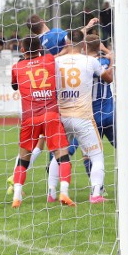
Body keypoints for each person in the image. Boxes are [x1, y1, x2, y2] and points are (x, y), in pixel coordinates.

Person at [10, 35, 75, 207]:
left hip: (29, 118)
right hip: (51, 116)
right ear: (40, 49)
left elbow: (14, 86)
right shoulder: (49, 59)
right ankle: (64, 193)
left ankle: (17, 196)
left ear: (22, 50)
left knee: (24, 158)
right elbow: (67, 48)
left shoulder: (17, 67)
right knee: (62, 154)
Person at [50, 29, 113, 203]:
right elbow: (108, 78)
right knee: (97, 156)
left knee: (61, 155)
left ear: (67, 43)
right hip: (83, 116)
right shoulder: (90, 61)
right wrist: (112, 60)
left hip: (62, 116)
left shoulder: (56, 61)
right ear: (83, 44)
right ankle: (96, 194)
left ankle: (51, 192)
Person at [86, 34, 128, 185]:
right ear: (99, 46)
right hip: (110, 112)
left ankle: (97, 189)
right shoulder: (105, 61)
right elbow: (111, 75)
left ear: (85, 47)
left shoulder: (83, 64)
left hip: (91, 115)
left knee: (89, 155)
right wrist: (110, 56)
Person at [28, 14, 98, 56]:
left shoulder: (36, 43)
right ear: (43, 21)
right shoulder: (55, 33)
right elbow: (74, 38)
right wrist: (88, 27)